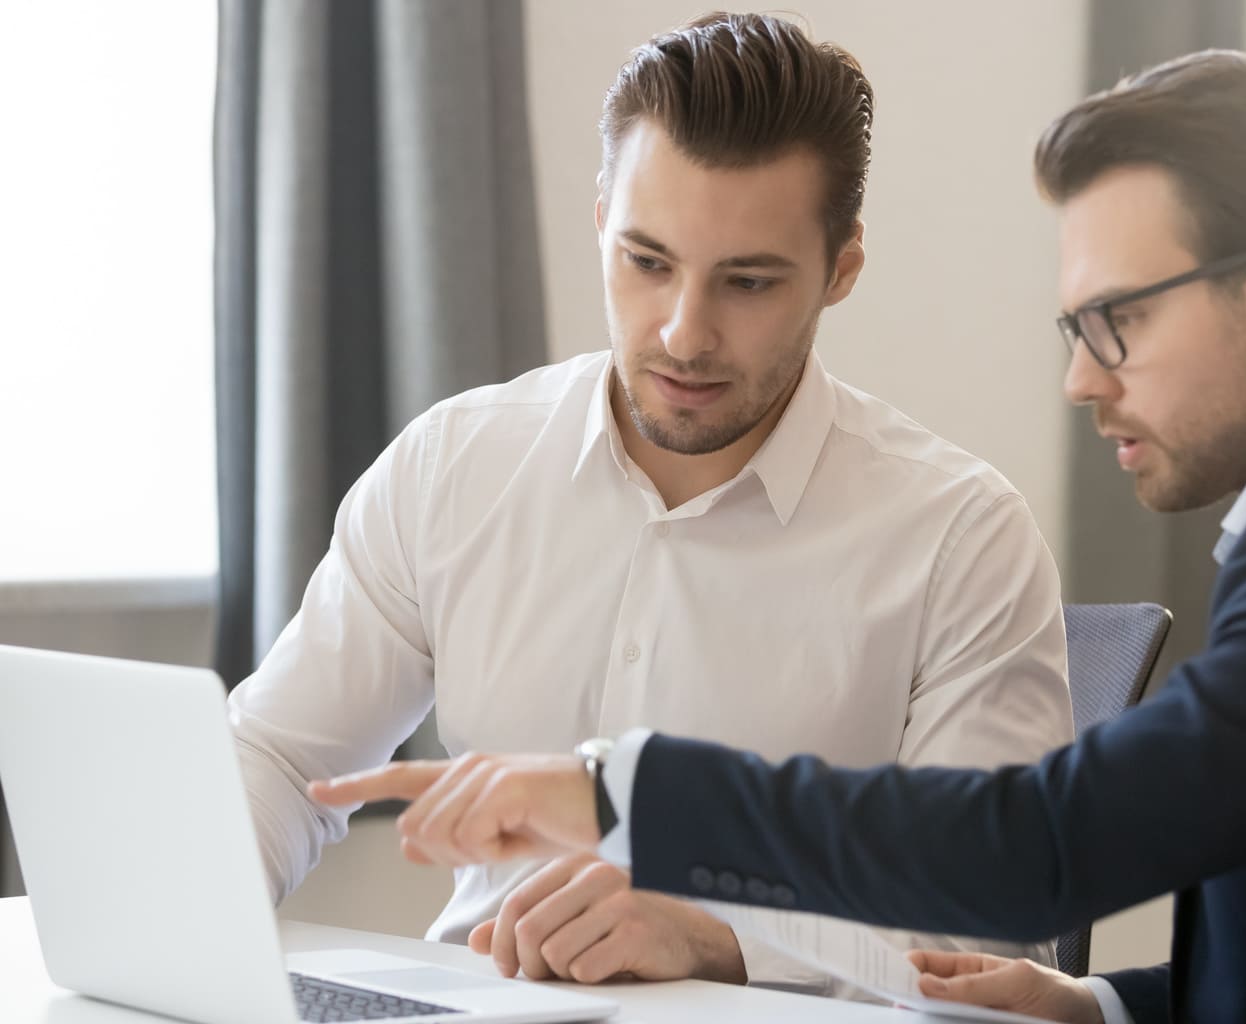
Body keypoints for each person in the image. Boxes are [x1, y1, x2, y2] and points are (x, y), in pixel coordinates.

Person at [314, 49, 1246, 1023]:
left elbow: (1041, 845)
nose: (1081, 382)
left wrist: (617, 788)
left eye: (1115, 320)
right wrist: (1107, 1002)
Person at [232, 10, 1071, 997]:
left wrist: (720, 937)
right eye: (647, 261)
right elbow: (283, 758)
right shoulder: (456, 466)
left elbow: (993, 946)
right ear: (601, 222)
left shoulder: (959, 541)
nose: (683, 332)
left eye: (748, 281)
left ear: (841, 268)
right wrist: (179, 919)